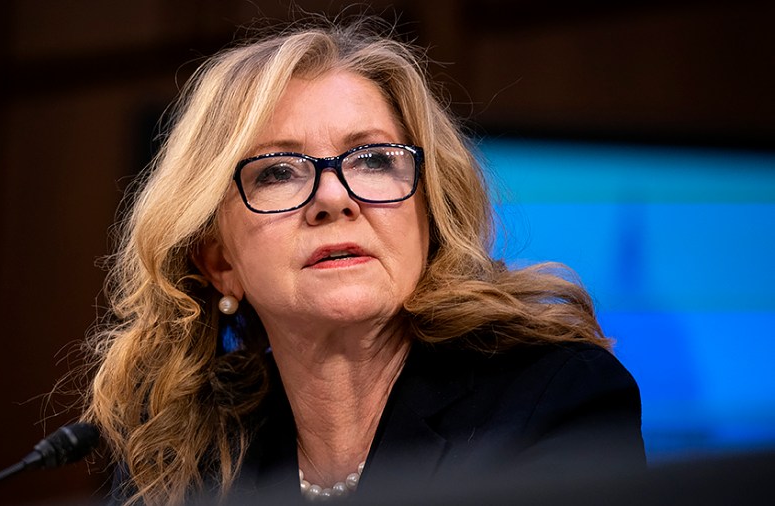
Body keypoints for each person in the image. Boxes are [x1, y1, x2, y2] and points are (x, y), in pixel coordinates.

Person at [77, 16, 646, 506]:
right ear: (220, 262)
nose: (334, 198)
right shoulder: (179, 460)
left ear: (428, 212)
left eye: (374, 160)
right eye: (277, 171)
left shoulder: (554, 401)